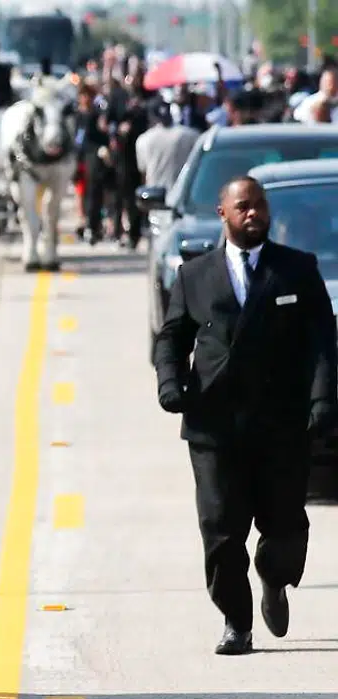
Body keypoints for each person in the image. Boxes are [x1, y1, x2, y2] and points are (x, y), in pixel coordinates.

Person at [154, 176, 338, 655]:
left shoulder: (296, 269)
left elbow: (322, 343)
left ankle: (274, 581)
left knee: (285, 527)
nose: (253, 213)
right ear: (224, 214)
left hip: (281, 422)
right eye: (243, 206)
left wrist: (322, 402)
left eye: (259, 205)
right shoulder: (194, 275)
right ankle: (236, 620)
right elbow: (172, 337)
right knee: (220, 529)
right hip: (213, 425)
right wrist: (171, 384)